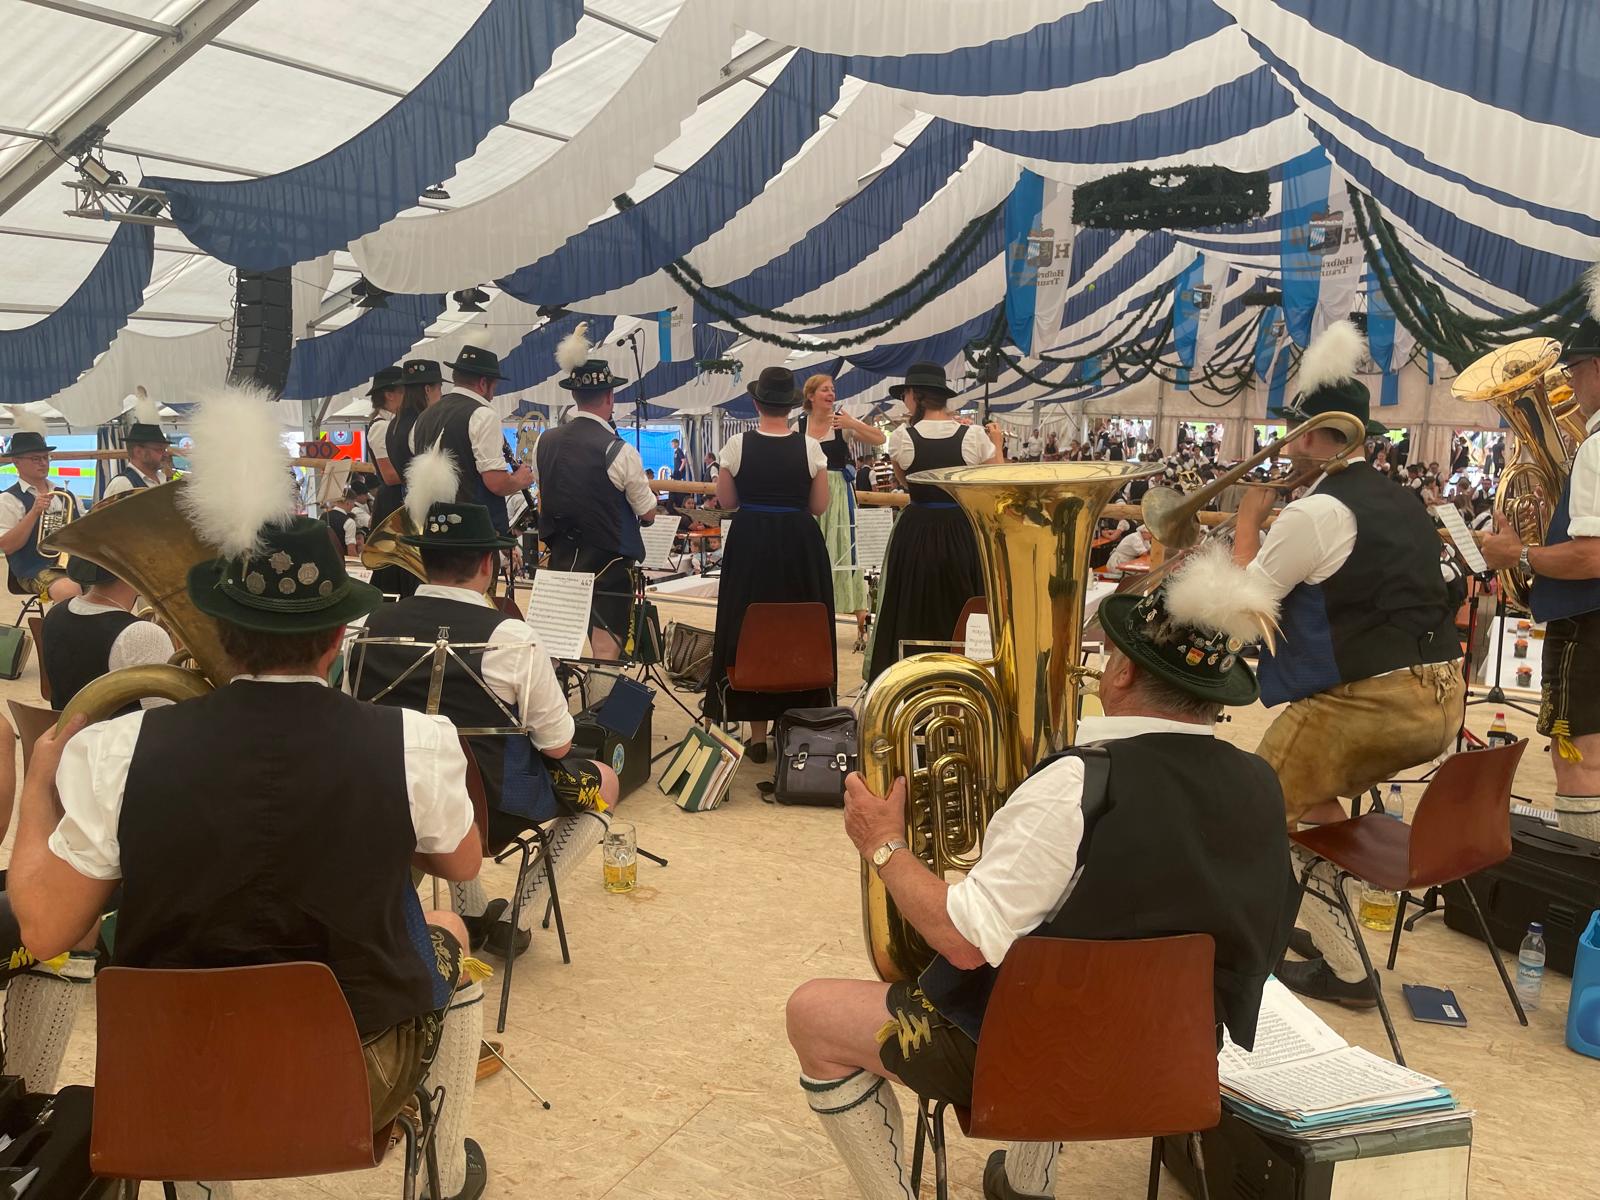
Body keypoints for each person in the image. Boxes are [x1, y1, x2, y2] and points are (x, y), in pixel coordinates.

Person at [9, 388, 492, 1198]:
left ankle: (208, 1172)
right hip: (350, 1082)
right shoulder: (415, 742)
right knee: (443, 928)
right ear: (337, 635)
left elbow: (45, 927)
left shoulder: (116, 749)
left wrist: (36, 791)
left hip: (169, 1079)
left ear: (217, 628)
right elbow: (464, 862)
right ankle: (438, 1171)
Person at [786, 545, 1297, 1200]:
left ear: (1122, 672)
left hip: (1033, 1059)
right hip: (1179, 1057)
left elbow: (961, 942)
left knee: (813, 1015)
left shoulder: (1079, 784)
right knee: (1063, 946)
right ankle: (1026, 1185)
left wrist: (883, 843)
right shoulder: (1261, 783)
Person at [1233, 320, 1463, 1008]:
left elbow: (1245, 611)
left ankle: (1348, 970)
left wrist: (1246, 524)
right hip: (1441, 697)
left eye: (1292, 434)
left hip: (1374, 704)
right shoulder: (1401, 498)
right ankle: (1322, 914)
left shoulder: (1316, 513)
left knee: (1258, 803)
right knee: (1308, 799)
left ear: (1312, 437)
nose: (1286, 448)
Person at [352, 448, 619, 958]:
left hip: (391, 798)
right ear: (486, 562)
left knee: (449, 775)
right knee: (602, 781)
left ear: (422, 559)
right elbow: (558, 746)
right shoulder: (511, 637)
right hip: (494, 808)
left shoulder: (368, 627)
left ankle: (471, 911)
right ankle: (517, 917)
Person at [1479, 300, 1600, 839]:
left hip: (1588, 626)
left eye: (1573, 368)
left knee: (1580, 764)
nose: (1567, 381)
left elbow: (1592, 557)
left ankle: (1583, 881)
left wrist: (1519, 556)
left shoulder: (1597, 447)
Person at [705, 367, 833, 760]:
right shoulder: (810, 447)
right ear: (791, 406)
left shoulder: (736, 445)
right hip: (799, 545)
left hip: (751, 544)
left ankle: (757, 736)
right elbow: (819, 506)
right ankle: (794, 729)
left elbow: (727, 501)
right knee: (798, 629)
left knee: (749, 628)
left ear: (756, 404)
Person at [866, 363, 1001, 683]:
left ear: (914, 396)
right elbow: (996, 480)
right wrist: (997, 443)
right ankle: (962, 683)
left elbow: (905, 480)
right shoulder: (973, 435)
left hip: (917, 530)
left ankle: (912, 682)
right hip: (962, 529)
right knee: (962, 605)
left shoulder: (903, 437)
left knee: (912, 604)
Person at [533, 323, 657, 661]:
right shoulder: (619, 450)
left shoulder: (544, 443)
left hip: (561, 560)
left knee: (558, 647)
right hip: (609, 568)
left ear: (574, 395)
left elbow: (545, 492)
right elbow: (647, 512)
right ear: (610, 397)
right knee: (605, 651)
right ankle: (599, 696)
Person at [804, 374, 887, 652]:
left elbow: (880, 437)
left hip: (839, 494)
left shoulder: (842, 423)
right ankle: (814, 611)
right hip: (809, 492)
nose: (831, 393)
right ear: (811, 396)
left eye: (833, 389)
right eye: (825, 390)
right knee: (814, 551)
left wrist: (853, 423)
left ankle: (859, 614)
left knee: (844, 550)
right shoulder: (799, 426)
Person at [411, 342, 529, 536]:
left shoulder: (423, 417)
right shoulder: (483, 415)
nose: (492, 396)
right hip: (473, 532)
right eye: (494, 387)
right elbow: (496, 483)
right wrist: (519, 480)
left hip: (433, 529)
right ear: (483, 383)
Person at [39, 552, 175, 715]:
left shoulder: (55, 613)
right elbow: (168, 717)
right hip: (124, 732)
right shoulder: (141, 634)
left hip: (68, 729)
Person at [0, 413, 81, 602]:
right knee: (69, 590)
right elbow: (7, 546)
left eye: (46, 457)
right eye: (36, 459)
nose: (43, 463)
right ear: (16, 461)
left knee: (119, 581)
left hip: (73, 565)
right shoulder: (7, 499)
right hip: (33, 570)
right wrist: (34, 512)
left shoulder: (66, 495)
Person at [103, 390, 171, 499]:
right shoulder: (122, 485)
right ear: (138, 452)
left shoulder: (162, 479)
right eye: (159, 449)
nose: (165, 454)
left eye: (164, 449)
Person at [324, 487, 364, 558]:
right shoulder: (349, 522)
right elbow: (351, 551)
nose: (353, 506)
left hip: (325, 558)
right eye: (353, 503)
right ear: (348, 503)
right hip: (342, 561)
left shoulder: (323, 516)